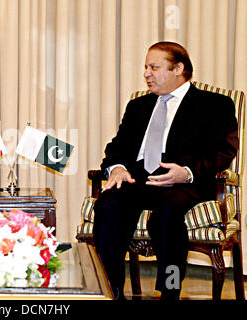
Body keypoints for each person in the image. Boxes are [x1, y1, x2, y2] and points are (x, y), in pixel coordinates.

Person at [92, 41, 238, 300]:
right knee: (108, 203)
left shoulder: (215, 104)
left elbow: (223, 151)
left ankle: (169, 290)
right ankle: (111, 290)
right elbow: (117, 146)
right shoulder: (138, 106)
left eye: (154, 67)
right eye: (145, 67)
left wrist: (187, 172)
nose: (146, 73)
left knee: (165, 216)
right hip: (138, 178)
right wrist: (116, 169)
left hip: (184, 182)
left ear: (178, 68)